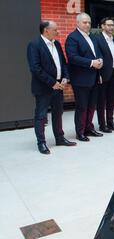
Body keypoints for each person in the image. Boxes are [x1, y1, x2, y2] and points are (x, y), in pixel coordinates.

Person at [27, 21, 77, 154]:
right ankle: (41, 143)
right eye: (55, 29)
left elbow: (63, 63)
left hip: (59, 86)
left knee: (58, 113)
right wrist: (52, 82)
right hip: (44, 87)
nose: (57, 32)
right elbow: (35, 68)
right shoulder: (34, 45)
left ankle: (60, 138)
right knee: (41, 115)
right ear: (46, 30)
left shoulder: (57, 44)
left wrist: (65, 77)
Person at [66, 13, 104, 142]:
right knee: (82, 107)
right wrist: (92, 63)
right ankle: (80, 131)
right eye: (84, 22)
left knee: (91, 105)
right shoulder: (72, 38)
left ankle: (89, 128)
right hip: (81, 79)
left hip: (94, 77)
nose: (87, 24)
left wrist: (100, 61)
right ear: (77, 23)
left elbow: (97, 53)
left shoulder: (92, 37)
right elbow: (72, 57)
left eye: (89, 22)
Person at [95, 17, 114, 133]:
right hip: (103, 74)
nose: (111, 27)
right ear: (103, 26)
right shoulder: (97, 39)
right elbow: (97, 57)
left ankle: (110, 122)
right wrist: (98, 74)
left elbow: (113, 55)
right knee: (101, 100)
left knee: (111, 100)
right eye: (109, 25)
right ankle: (102, 124)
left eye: (112, 25)